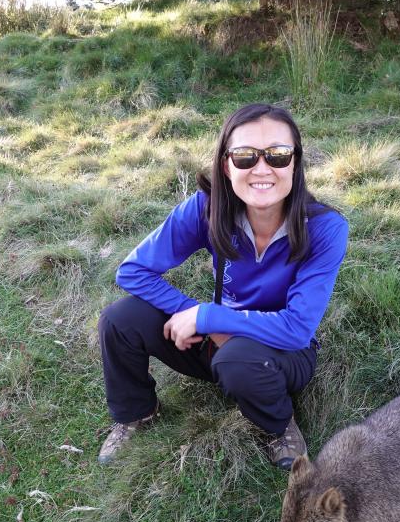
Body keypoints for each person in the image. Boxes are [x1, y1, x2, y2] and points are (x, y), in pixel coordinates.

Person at [96, 103, 349, 470]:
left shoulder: (326, 229)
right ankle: (137, 413)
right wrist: (192, 313)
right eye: (245, 156)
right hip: (213, 342)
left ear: (295, 162)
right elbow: (133, 271)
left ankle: (278, 425)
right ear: (226, 164)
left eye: (278, 155)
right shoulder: (206, 208)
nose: (262, 168)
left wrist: (209, 318)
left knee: (240, 359)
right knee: (119, 319)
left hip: (281, 352)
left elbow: (296, 330)